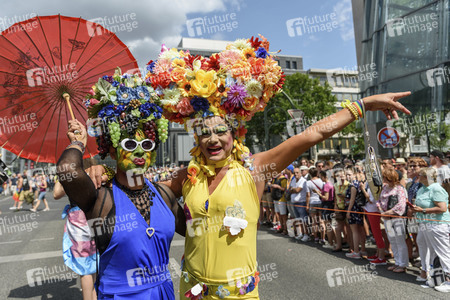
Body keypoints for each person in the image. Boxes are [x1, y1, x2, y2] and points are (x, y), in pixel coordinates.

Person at [88, 37, 411, 299]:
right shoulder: (186, 176)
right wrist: (101, 170)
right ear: (196, 141)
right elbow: (135, 186)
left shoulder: (255, 169)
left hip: (238, 293)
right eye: (204, 133)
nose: (213, 139)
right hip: (193, 290)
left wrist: (363, 105)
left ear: (235, 134)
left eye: (220, 132)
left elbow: (313, 134)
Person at [57, 69, 185, 299]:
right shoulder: (99, 199)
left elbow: (198, 232)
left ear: (153, 154)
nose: (138, 151)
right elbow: (67, 170)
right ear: (113, 152)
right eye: (128, 144)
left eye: (146, 145)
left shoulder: (165, 194)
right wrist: (78, 143)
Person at [54, 174, 98, 300]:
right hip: (95, 216)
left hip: (79, 219)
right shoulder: (93, 171)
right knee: (93, 265)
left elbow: (56, 194)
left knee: (84, 269)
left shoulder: (71, 174)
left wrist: (60, 175)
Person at [411, 167, 450, 292]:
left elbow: (443, 208)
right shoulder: (422, 189)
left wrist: (422, 210)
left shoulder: (436, 188)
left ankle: (449, 280)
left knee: (443, 252)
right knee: (432, 252)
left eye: (421, 175)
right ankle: (436, 278)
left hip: (437, 224)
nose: (418, 177)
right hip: (426, 224)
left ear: (427, 177)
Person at [378, 168, 408, 273]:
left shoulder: (400, 188)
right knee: (392, 240)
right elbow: (379, 200)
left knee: (400, 241)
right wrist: (382, 211)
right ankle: (397, 262)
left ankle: (403, 264)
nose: (383, 179)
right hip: (387, 219)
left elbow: (401, 204)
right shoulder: (384, 188)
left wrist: (388, 212)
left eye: (385, 177)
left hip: (397, 219)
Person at [345, 168, 367, 259]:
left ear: (354, 174)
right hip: (357, 209)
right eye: (346, 174)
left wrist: (348, 211)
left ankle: (356, 251)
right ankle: (362, 250)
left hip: (354, 209)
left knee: (355, 231)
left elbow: (352, 199)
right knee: (360, 230)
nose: (347, 176)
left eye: (349, 174)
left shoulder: (354, 185)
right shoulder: (355, 184)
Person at [317, 170, 336, 248]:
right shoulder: (331, 184)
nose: (320, 178)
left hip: (326, 205)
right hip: (330, 204)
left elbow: (326, 197)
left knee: (328, 225)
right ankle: (335, 242)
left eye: (321, 177)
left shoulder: (326, 185)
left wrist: (318, 193)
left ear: (325, 177)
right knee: (330, 225)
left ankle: (331, 243)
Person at [289, 167, 308, 241]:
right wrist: (293, 189)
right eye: (294, 173)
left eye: (297, 172)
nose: (295, 174)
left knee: (303, 220)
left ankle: (306, 234)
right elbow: (290, 190)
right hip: (294, 202)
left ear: (300, 173)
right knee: (298, 220)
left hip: (301, 202)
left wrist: (293, 189)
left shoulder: (303, 180)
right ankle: (301, 233)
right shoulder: (293, 180)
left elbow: (297, 190)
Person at [305, 168, 324, 243]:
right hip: (321, 201)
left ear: (310, 174)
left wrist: (307, 205)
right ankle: (323, 238)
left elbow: (308, 195)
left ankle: (316, 238)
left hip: (312, 202)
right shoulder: (321, 181)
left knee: (314, 221)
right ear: (317, 173)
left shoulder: (308, 182)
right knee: (321, 221)